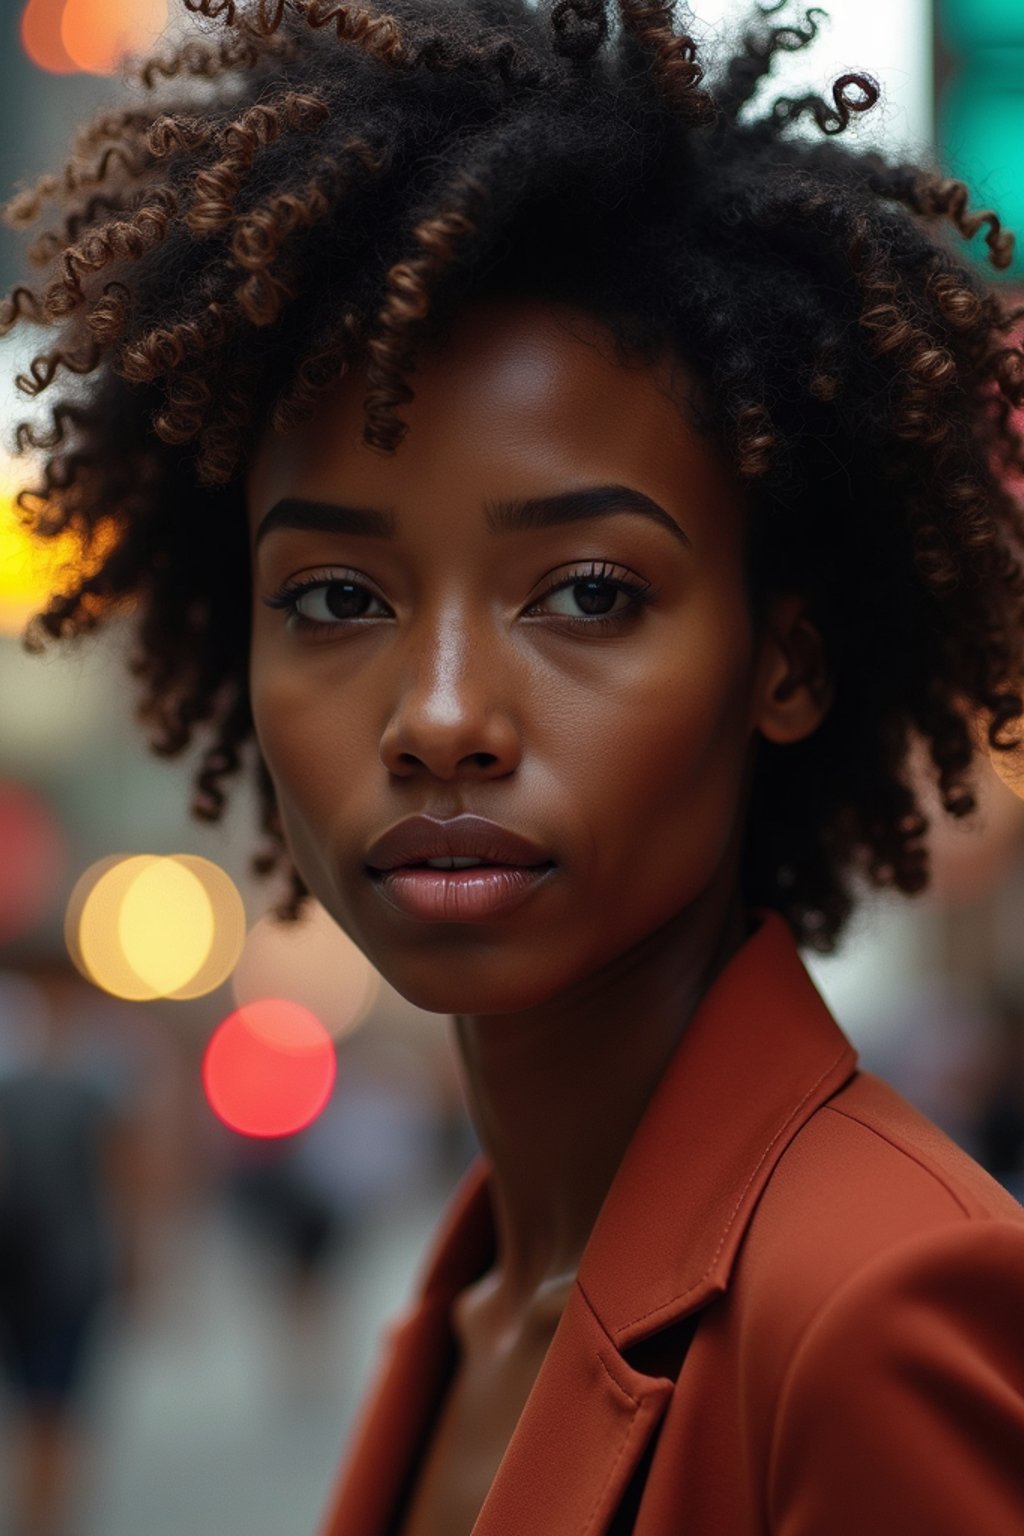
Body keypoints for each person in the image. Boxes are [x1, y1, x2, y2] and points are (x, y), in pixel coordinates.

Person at [3, 1, 1024, 1531]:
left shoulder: (877, 1307)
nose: (439, 714)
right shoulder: (473, 1286)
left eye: (590, 592)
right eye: (337, 599)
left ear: (785, 666)